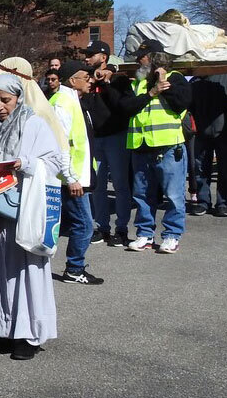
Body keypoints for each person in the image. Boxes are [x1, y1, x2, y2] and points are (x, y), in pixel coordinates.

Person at [0, 74, 66, 360]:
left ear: (18, 99)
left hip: (23, 209)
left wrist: (26, 164)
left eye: (5, 100)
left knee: (25, 270)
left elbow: (54, 160)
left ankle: (28, 333)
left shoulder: (34, 124)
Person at [122, 44, 192, 253]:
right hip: (141, 145)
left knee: (173, 194)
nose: (138, 61)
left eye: (142, 57)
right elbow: (128, 108)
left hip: (169, 145)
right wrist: (152, 91)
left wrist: (163, 84)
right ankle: (145, 234)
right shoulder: (138, 84)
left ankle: (172, 235)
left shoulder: (175, 77)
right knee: (142, 194)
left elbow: (182, 103)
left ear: (154, 58)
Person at [52, 61, 102, 282]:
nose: (90, 80)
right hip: (71, 179)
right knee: (84, 224)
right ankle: (74, 269)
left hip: (78, 175)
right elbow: (60, 143)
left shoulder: (75, 101)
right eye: (86, 76)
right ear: (73, 80)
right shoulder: (62, 103)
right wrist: (71, 178)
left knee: (77, 223)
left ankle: (73, 267)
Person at [86, 40, 136, 247]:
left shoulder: (119, 80)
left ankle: (121, 228)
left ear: (103, 57)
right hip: (96, 138)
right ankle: (102, 227)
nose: (87, 58)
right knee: (97, 186)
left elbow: (124, 106)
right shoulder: (86, 79)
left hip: (116, 137)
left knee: (120, 184)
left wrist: (108, 82)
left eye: (91, 54)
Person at [188, 73, 227, 217]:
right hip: (201, 130)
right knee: (200, 167)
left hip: (225, 130)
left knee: (226, 168)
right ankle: (203, 201)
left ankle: (223, 203)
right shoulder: (195, 80)